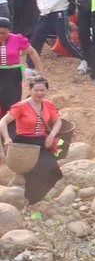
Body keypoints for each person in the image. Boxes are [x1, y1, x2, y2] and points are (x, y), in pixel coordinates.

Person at [6, 74, 64, 203]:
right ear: (30, 90)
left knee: (54, 172)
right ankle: (32, 203)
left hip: (42, 141)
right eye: (36, 90)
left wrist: (52, 135)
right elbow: (3, 122)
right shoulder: (21, 106)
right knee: (33, 175)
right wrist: (6, 138)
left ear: (46, 91)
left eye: (42, 90)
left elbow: (58, 121)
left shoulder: (48, 105)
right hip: (24, 143)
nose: (39, 93)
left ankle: (38, 195)